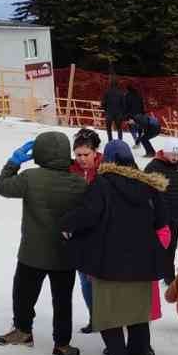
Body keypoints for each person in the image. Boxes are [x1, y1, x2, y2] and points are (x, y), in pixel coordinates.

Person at [63, 140, 169, 355]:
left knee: (109, 316)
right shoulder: (149, 185)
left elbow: (87, 215)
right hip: (143, 262)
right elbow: (162, 220)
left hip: (109, 261)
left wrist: (66, 223)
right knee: (138, 316)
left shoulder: (102, 184)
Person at [0, 131, 89, 355]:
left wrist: (13, 162)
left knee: (23, 295)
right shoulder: (78, 182)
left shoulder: (30, 177)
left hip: (32, 253)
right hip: (64, 253)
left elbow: (3, 187)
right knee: (63, 300)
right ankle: (62, 344)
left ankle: (23, 331)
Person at [144, 137, 178, 272]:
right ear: (165, 152)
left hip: (175, 214)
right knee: (160, 245)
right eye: (173, 154)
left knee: (172, 245)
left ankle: (168, 273)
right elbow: (144, 191)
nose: (176, 157)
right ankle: (154, 270)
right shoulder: (153, 167)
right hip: (159, 216)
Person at [70, 128, 103, 332]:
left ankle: (111, 319)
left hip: (101, 232)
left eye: (86, 155)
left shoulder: (106, 168)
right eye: (78, 155)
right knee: (85, 280)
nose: (81, 159)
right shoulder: (70, 169)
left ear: (95, 152)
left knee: (102, 281)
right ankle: (95, 317)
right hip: (79, 232)